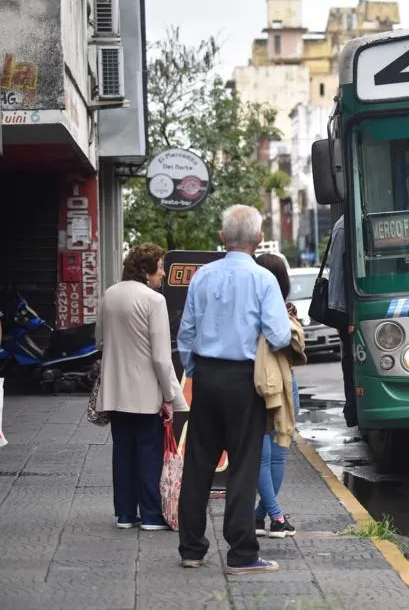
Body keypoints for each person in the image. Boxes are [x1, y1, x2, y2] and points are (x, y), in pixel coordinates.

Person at [176, 205, 292, 575]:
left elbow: (186, 334)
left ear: (222, 237)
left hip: (207, 377)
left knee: (198, 465)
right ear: (259, 240)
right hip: (245, 380)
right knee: (243, 466)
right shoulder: (263, 280)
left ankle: (191, 549)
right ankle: (242, 553)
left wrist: (196, 371)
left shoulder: (202, 277)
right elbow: (279, 334)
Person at [96, 242, 188, 531]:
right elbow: (162, 358)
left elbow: (100, 339)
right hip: (146, 392)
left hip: (114, 390)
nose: (162, 274)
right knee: (148, 454)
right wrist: (173, 397)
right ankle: (150, 515)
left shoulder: (110, 295)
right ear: (147, 271)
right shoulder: (153, 301)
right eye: (160, 268)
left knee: (122, 453)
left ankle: (124, 514)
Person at [253, 253, 305, 539]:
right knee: (279, 453)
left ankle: (264, 516)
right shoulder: (287, 310)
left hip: (258, 382)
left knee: (264, 456)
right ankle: (274, 516)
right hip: (287, 383)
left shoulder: (250, 309)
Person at [328, 211, 357, 428]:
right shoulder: (344, 227)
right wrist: (343, 320)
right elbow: (337, 279)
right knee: (351, 362)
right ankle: (353, 409)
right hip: (351, 317)